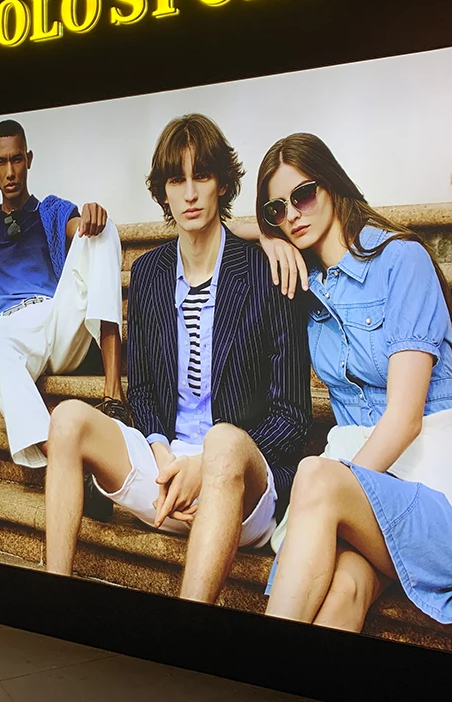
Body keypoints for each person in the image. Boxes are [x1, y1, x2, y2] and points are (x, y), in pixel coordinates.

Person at [43, 114, 312, 604]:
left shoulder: (267, 271)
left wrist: (206, 466)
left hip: (241, 484)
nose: (189, 194)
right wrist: (161, 450)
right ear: (162, 192)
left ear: (222, 184)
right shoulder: (149, 274)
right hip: (165, 472)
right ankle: (51, 601)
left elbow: (292, 417)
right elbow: (143, 389)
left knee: (223, 441)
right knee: (66, 420)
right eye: (175, 179)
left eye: (201, 176)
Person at [257, 133, 452, 631]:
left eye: (303, 196)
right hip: (374, 502)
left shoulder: (402, 261)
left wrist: (335, 491)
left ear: (331, 185)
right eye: (276, 209)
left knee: (317, 474)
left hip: (438, 502)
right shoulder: (309, 284)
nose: (292, 215)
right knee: (344, 589)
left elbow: (405, 420)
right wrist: (264, 235)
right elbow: (224, 225)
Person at [0, 119, 127, 478]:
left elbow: (80, 230)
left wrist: (92, 217)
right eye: (2, 162)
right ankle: (64, 460)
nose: (10, 172)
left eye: (17, 159)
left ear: (28, 159)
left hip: (57, 317)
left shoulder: (51, 211)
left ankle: (114, 398)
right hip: (11, 331)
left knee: (104, 230)